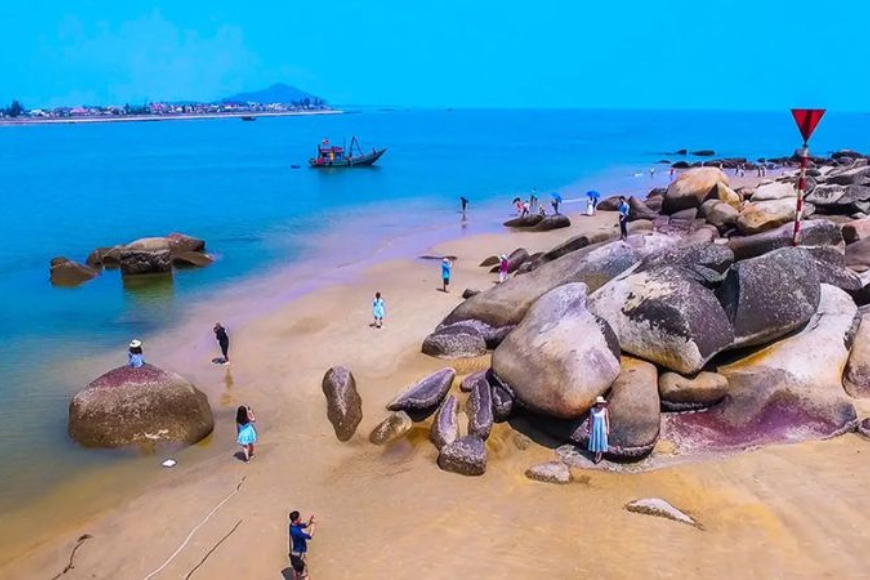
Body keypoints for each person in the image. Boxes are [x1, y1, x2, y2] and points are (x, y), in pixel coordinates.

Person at [289, 511, 316, 579]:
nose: (300, 518)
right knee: (305, 574)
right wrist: (313, 525)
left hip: (294, 552)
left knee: (295, 569)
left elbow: (303, 525)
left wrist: (310, 521)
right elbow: (309, 536)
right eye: (299, 517)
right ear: (295, 520)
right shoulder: (296, 532)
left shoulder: (292, 525)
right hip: (300, 553)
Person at [588, 396, 610, 464]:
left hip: (602, 428)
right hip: (595, 428)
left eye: (602, 403)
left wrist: (607, 429)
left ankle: (599, 456)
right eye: (599, 403)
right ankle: (596, 455)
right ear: (597, 404)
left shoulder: (605, 410)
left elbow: (607, 420)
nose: (601, 405)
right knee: (596, 441)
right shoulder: (592, 410)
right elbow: (591, 420)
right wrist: (590, 429)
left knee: (601, 441)